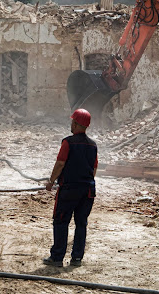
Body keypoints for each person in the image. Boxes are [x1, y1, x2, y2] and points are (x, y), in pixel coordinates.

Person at [43, 108, 97, 267]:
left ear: (76, 123)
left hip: (69, 189)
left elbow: (60, 163)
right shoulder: (93, 145)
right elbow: (94, 169)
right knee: (81, 223)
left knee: (60, 221)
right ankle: (77, 258)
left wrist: (51, 181)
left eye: (72, 122)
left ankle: (57, 257)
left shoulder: (68, 142)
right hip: (87, 190)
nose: (71, 125)